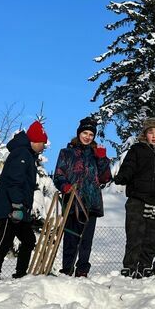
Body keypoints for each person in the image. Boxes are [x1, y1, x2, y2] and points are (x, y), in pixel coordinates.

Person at [0, 121, 48, 284]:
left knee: (28, 240)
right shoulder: (21, 153)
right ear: (35, 141)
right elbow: (14, 181)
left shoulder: (28, 155)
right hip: (10, 208)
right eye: (43, 143)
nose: (44, 147)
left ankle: (20, 274)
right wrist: (17, 205)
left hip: (20, 209)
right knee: (4, 242)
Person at [53, 117, 112, 277]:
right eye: (85, 133)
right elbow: (58, 174)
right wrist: (64, 185)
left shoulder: (96, 154)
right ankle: (67, 269)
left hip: (91, 202)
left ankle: (82, 270)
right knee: (71, 239)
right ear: (79, 133)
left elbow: (105, 177)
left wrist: (102, 159)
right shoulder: (66, 153)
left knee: (86, 240)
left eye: (91, 134)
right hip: (72, 201)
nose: (87, 136)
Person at [114, 117, 155, 278]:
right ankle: (130, 266)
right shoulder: (137, 150)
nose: (154, 135)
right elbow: (129, 166)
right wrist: (123, 176)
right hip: (137, 198)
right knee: (135, 235)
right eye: (150, 132)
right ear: (144, 134)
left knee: (153, 237)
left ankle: (146, 265)